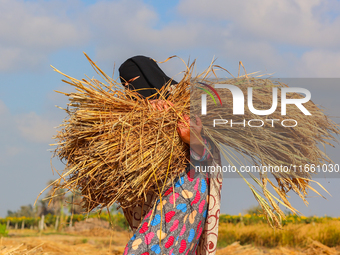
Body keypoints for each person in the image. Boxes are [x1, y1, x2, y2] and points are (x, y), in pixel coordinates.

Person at [119, 56, 223, 255]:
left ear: (148, 76)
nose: (130, 89)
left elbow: (207, 151)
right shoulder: (134, 115)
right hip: (158, 197)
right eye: (125, 84)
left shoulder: (183, 103)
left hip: (185, 192)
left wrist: (191, 137)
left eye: (132, 81)